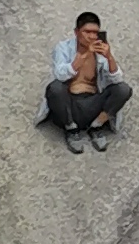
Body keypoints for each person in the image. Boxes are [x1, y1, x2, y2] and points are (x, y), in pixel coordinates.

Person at [45, 11, 133, 154]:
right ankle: (71, 129)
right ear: (76, 32)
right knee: (55, 88)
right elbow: (60, 75)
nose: (92, 36)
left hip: (92, 104)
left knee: (123, 89)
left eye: (95, 32)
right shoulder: (63, 48)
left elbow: (117, 80)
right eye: (87, 32)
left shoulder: (100, 53)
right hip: (69, 104)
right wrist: (85, 55)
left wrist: (109, 57)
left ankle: (96, 126)